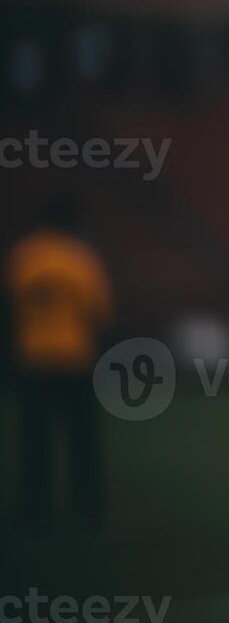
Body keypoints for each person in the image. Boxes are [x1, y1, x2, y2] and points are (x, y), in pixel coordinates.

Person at [6, 194, 112, 526]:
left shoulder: (22, 256)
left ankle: (36, 510)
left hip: (32, 359)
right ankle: (87, 510)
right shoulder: (79, 258)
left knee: (35, 441)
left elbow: (9, 307)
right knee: (82, 441)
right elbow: (99, 310)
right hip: (73, 358)